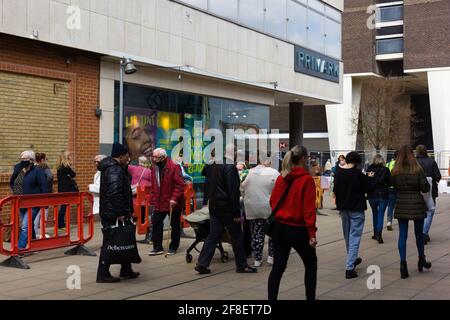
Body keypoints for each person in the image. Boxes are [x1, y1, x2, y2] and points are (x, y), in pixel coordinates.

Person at [195, 144, 257, 274]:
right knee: (236, 236)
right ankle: (241, 265)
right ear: (233, 153)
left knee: (213, 235)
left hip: (214, 206)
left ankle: (202, 263)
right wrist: (236, 212)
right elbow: (232, 191)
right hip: (227, 208)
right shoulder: (229, 167)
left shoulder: (214, 165)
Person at [268, 145, 317, 301]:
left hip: (279, 228)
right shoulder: (306, 180)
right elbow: (308, 209)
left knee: (278, 267)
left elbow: (272, 201)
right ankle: (310, 298)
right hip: (298, 229)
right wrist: (312, 233)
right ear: (303, 159)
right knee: (311, 264)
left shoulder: (281, 178)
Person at [96, 142, 140, 283]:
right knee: (110, 242)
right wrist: (120, 212)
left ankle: (126, 269)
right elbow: (115, 192)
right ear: (120, 156)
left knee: (124, 238)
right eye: (126, 156)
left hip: (113, 211)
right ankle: (103, 273)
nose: (128, 158)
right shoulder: (115, 170)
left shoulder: (115, 168)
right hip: (114, 213)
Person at [392, 145, 432, 279]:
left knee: (402, 235)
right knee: (419, 234)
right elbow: (425, 188)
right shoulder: (417, 169)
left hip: (402, 204)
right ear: (411, 155)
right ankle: (421, 259)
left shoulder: (395, 170)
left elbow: (394, 186)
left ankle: (403, 265)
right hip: (417, 203)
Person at [333, 151, 374, 279]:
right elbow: (369, 188)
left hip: (343, 209)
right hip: (356, 208)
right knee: (355, 237)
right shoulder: (358, 174)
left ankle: (352, 258)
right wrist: (370, 178)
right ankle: (349, 267)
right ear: (357, 162)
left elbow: (335, 190)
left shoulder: (339, 173)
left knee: (347, 236)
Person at [241, 157, 280, 267]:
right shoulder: (274, 173)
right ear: (268, 162)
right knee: (272, 233)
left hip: (253, 208)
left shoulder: (248, 173)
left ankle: (257, 259)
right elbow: (279, 189)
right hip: (269, 209)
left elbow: (242, 188)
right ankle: (271, 257)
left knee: (256, 234)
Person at [148, 148, 185, 256]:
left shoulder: (174, 167)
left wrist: (174, 198)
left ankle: (173, 247)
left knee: (175, 224)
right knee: (156, 222)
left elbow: (180, 185)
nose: (154, 159)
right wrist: (153, 199)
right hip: (160, 202)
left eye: (156, 157)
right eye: (153, 157)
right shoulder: (154, 168)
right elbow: (154, 185)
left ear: (163, 158)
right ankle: (157, 247)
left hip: (173, 202)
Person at [9, 151, 48, 250]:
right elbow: (12, 182)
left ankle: (20, 249)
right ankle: (34, 244)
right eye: (22, 158)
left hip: (33, 203)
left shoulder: (38, 171)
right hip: (20, 202)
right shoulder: (18, 169)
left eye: (26, 159)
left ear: (31, 160)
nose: (23, 160)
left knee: (25, 226)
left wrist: (45, 202)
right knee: (29, 225)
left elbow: (44, 186)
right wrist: (15, 192)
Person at [415, 145, 441, 244]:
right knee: (430, 211)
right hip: (431, 190)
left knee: (420, 212)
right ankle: (424, 232)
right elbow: (438, 176)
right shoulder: (431, 161)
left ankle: (422, 232)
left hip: (417, 190)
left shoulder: (414, 162)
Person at [366, 154, 392, 244]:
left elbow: (367, 182)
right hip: (383, 195)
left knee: (374, 213)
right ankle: (379, 234)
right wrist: (384, 184)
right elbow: (390, 183)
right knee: (381, 214)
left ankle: (375, 233)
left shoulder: (369, 169)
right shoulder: (386, 170)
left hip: (372, 195)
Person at [128, 156, 152, 244]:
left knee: (134, 217)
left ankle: (131, 238)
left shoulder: (133, 169)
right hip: (145, 199)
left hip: (135, 198)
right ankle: (148, 236)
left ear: (139, 162)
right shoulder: (149, 171)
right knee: (145, 217)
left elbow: (125, 165)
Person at [57, 150, 78, 230]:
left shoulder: (60, 166)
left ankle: (61, 223)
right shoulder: (66, 166)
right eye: (69, 155)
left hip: (62, 189)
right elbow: (73, 174)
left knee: (63, 206)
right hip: (66, 189)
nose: (71, 157)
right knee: (64, 207)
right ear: (66, 157)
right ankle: (61, 224)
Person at [34, 152, 53, 238]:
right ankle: (42, 233)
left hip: (35, 194)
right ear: (42, 160)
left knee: (36, 214)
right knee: (44, 214)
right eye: (45, 159)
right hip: (45, 193)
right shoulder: (44, 167)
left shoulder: (32, 167)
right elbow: (50, 177)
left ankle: (35, 233)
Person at [385, 151, 398, 231]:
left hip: (390, 187)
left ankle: (389, 221)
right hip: (399, 187)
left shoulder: (388, 164)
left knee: (390, 205)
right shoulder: (401, 164)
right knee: (399, 204)